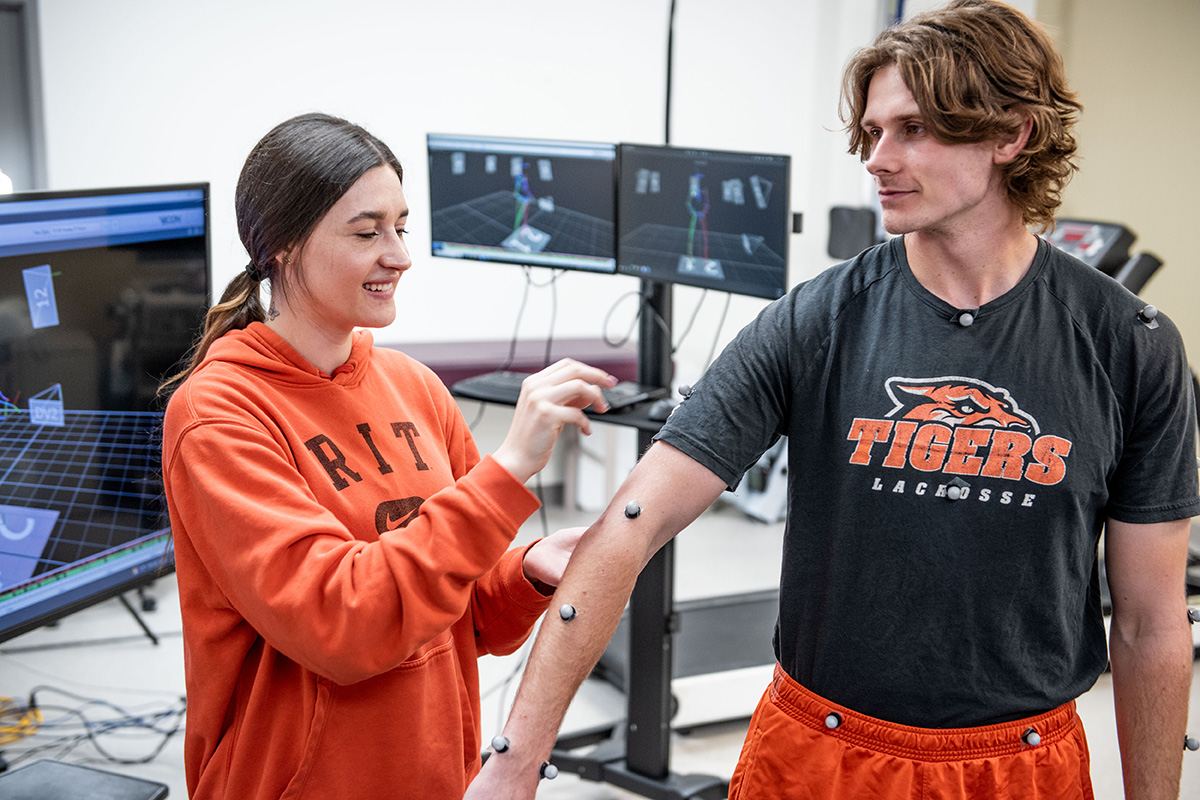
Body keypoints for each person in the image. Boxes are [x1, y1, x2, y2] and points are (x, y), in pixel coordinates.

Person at [465, 2, 1199, 798]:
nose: (879, 159)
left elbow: (1150, 621)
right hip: (820, 753)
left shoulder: (1129, 342)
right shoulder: (815, 319)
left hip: (1019, 764)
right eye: (874, 132)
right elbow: (630, 528)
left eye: (914, 129)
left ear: (1009, 135)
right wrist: (512, 764)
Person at [158, 112, 619, 799]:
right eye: (367, 232)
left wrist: (529, 572)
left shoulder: (414, 388)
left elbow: (465, 617)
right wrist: (507, 470)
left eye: (401, 226)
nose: (399, 255)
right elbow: (341, 626)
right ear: (282, 245)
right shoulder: (218, 414)